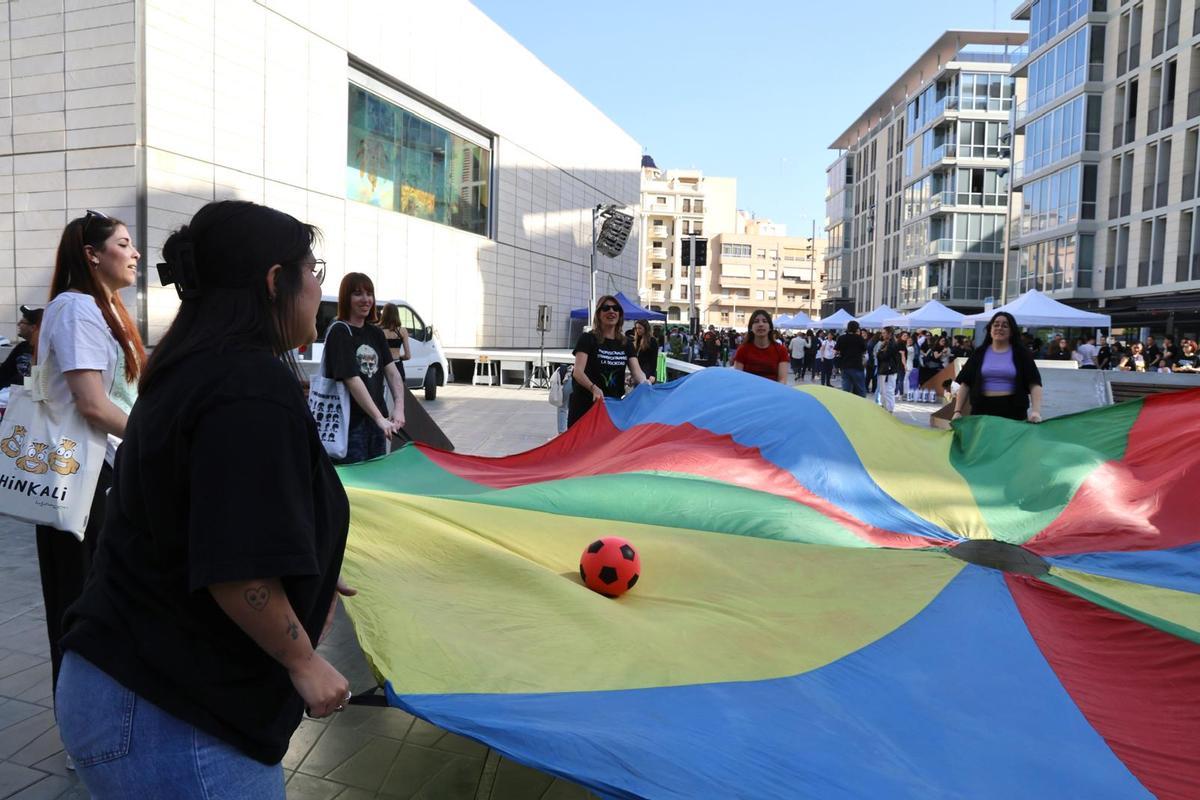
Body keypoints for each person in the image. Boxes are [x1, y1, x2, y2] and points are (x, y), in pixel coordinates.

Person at [55, 200, 354, 798]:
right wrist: (305, 662)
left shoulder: (191, 367)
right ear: (276, 281)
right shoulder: (248, 385)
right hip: (172, 714)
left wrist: (309, 560)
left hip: (127, 688)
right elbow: (235, 566)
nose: (319, 285)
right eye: (313, 269)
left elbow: (206, 511)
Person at [33, 211, 146, 702]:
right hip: (82, 474)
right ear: (92, 255)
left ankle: (95, 714)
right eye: (124, 243)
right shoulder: (78, 307)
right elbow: (93, 404)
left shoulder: (104, 307)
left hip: (101, 472)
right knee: (81, 601)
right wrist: (155, 439)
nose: (135, 252)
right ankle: (83, 724)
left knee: (97, 599)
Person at [323, 273, 405, 463]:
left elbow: (392, 372)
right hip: (348, 423)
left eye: (369, 293)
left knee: (376, 477)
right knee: (353, 481)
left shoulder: (375, 332)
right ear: (346, 298)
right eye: (358, 294)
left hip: (377, 422)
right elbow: (352, 379)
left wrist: (399, 408)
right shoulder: (339, 331)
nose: (366, 299)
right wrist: (378, 417)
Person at [568, 296, 649, 428]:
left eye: (615, 308)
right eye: (606, 308)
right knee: (583, 448)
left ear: (620, 315)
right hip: (585, 406)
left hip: (612, 408)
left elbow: (637, 371)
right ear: (599, 314)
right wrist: (593, 388)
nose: (611, 311)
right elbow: (578, 372)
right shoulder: (588, 338)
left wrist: (646, 384)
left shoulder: (626, 343)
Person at [952, 311, 1044, 423]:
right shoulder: (979, 353)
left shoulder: (1021, 354)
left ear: (1011, 331)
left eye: (1005, 326)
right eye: (996, 325)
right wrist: (957, 411)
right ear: (990, 329)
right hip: (981, 410)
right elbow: (966, 383)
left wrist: (1036, 412)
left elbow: (1034, 383)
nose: (1000, 328)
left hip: (1013, 411)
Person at [732, 309, 789, 383]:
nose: (761, 324)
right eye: (756, 321)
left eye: (765, 321)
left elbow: (782, 380)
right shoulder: (743, 349)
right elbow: (737, 378)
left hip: (773, 392)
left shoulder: (781, 350)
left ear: (770, 327)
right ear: (751, 328)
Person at [0, 304, 41, 390]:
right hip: (14, 397)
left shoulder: (48, 350)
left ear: (33, 328)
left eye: (22, 322)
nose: (18, 324)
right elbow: (4, 373)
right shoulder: (22, 347)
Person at [378, 302, 411, 384]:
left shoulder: (377, 330)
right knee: (398, 394)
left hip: (382, 367)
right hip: (397, 366)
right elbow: (408, 356)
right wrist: (398, 357)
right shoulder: (402, 331)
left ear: (384, 314)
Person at [834, 321, 867, 397]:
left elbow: (836, 351)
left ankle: (847, 405)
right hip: (857, 366)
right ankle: (862, 405)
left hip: (845, 366)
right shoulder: (859, 338)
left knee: (846, 389)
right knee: (860, 389)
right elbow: (864, 350)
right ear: (856, 328)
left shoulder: (841, 338)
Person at [875, 327, 903, 413]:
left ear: (889, 334)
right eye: (882, 333)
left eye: (884, 333)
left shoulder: (892, 344)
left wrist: (879, 353)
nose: (882, 334)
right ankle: (885, 408)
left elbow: (884, 356)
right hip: (884, 370)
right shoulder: (886, 343)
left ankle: (889, 409)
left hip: (889, 371)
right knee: (883, 391)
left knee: (888, 391)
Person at [632, 319, 659, 385]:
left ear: (646, 328)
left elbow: (654, 359)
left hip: (648, 371)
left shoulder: (652, 341)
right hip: (638, 372)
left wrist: (652, 374)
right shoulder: (636, 340)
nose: (638, 330)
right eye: (636, 328)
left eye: (640, 328)